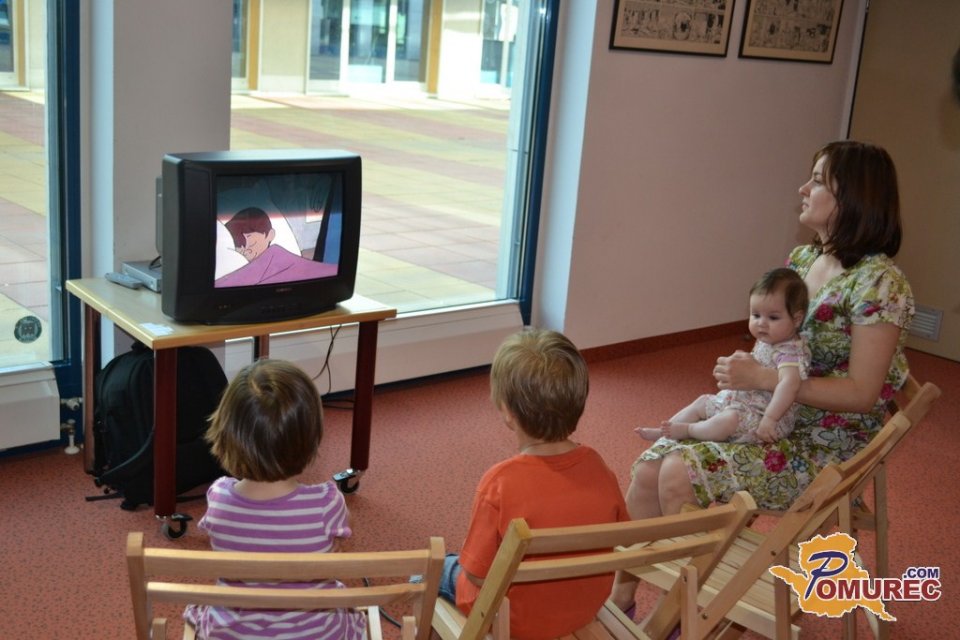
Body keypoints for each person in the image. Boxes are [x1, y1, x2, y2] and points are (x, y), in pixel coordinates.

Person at [612, 140, 914, 614]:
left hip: (823, 446)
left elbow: (862, 394)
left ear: (853, 196)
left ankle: (687, 612)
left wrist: (765, 380)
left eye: (817, 180)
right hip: (768, 418)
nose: (803, 188)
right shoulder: (802, 261)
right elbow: (775, 346)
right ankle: (623, 599)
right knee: (651, 466)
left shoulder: (881, 283)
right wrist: (750, 375)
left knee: (677, 471)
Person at [440, 328, 629, 639]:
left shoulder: (499, 482)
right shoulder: (598, 466)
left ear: (507, 411)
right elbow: (621, 530)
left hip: (511, 619)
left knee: (435, 570)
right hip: (581, 608)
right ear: (579, 402)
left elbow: (476, 574)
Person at [183, 358, 367, 640]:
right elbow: (342, 537)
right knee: (348, 607)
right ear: (310, 438)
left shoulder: (218, 497)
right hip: (315, 634)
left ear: (226, 433)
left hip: (235, 634)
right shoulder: (326, 503)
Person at [637, 267, 810, 445]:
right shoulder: (771, 338)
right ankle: (663, 432)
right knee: (702, 401)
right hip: (745, 400)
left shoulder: (790, 353)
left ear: (797, 319)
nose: (761, 324)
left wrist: (770, 419)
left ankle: (689, 430)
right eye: (756, 315)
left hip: (766, 415)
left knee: (728, 420)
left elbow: (790, 385)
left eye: (773, 318)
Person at [215, 206, 337, 287]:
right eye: (240, 248)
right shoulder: (239, 268)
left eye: (251, 243)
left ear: (270, 235)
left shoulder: (275, 256)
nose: (246, 251)